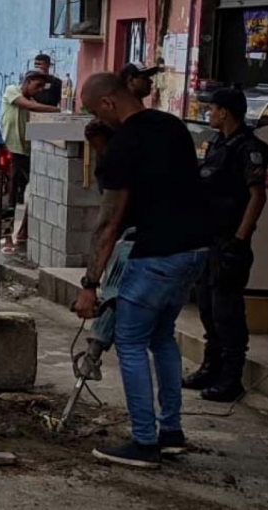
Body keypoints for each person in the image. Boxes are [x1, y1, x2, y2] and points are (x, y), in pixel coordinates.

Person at [76, 72, 211, 469]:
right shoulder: (172, 126)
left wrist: (90, 284)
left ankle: (144, 441)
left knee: (132, 342)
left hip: (157, 253)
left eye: (93, 111)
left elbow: (109, 221)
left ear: (108, 104)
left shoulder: (125, 146)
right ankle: (171, 432)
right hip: (195, 249)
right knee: (162, 338)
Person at [182, 89, 268, 402]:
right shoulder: (218, 143)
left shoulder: (249, 148)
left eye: (213, 109)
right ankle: (211, 367)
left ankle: (231, 377)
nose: (209, 114)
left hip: (230, 240)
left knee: (227, 311)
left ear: (226, 112)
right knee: (206, 305)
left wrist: (240, 240)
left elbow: (257, 196)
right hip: (209, 237)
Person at [1, 70, 60, 250]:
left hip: (27, 153)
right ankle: (7, 237)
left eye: (42, 87)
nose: (39, 90)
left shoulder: (34, 103)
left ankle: (23, 231)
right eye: (37, 86)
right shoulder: (12, 91)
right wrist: (56, 109)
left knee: (35, 192)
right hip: (12, 151)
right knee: (9, 198)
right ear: (27, 82)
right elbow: (28, 106)